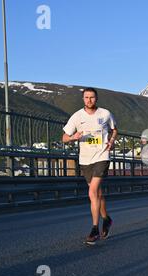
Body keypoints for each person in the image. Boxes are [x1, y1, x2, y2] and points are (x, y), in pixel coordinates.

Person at [62, 88, 118, 245]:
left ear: (96, 98)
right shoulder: (77, 116)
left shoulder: (105, 114)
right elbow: (64, 137)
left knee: (92, 191)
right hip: (85, 160)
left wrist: (112, 141)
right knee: (97, 194)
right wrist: (73, 137)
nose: (89, 100)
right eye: (86, 97)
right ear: (83, 99)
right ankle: (106, 219)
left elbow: (115, 130)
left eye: (92, 97)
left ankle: (94, 229)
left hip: (102, 156)